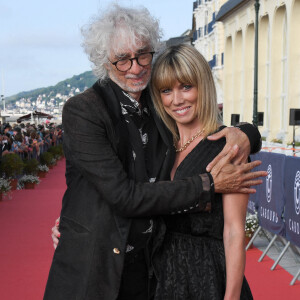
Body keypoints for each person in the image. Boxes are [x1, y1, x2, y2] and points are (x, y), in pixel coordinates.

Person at [45, 5, 265, 300]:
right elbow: (123, 196)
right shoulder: (84, 110)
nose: (135, 67)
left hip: (153, 274)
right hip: (96, 268)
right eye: (122, 59)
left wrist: (247, 135)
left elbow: (192, 102)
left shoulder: (157, 105)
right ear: (105, 62)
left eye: (142, 55)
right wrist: (208, 184)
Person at [150, 44, 252, 299]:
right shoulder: (158, 146)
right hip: (160, 274)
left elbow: (234, 230)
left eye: (186, 86)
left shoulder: (228, 146)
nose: (177, 100)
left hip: (208, 276)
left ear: (203, 86)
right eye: (166, 90)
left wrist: (231, 296)